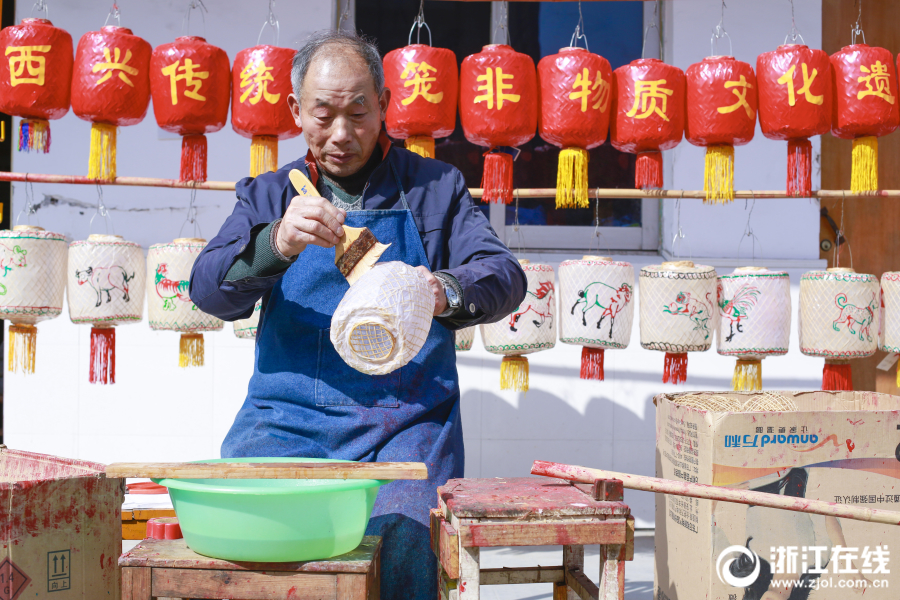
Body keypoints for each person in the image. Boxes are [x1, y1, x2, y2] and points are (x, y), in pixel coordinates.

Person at [189, 29, 527, 599]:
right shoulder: (271, 194)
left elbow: (503, 275)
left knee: (405, 532)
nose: (341, 134)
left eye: (358, 112)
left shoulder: (435, 188)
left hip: (408, 420)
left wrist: (441, 290)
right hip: (285, 418)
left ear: (385, 107)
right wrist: (277, 243)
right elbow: (207, 290)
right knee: (253, 527)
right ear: (296, 110)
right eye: (323, 115)